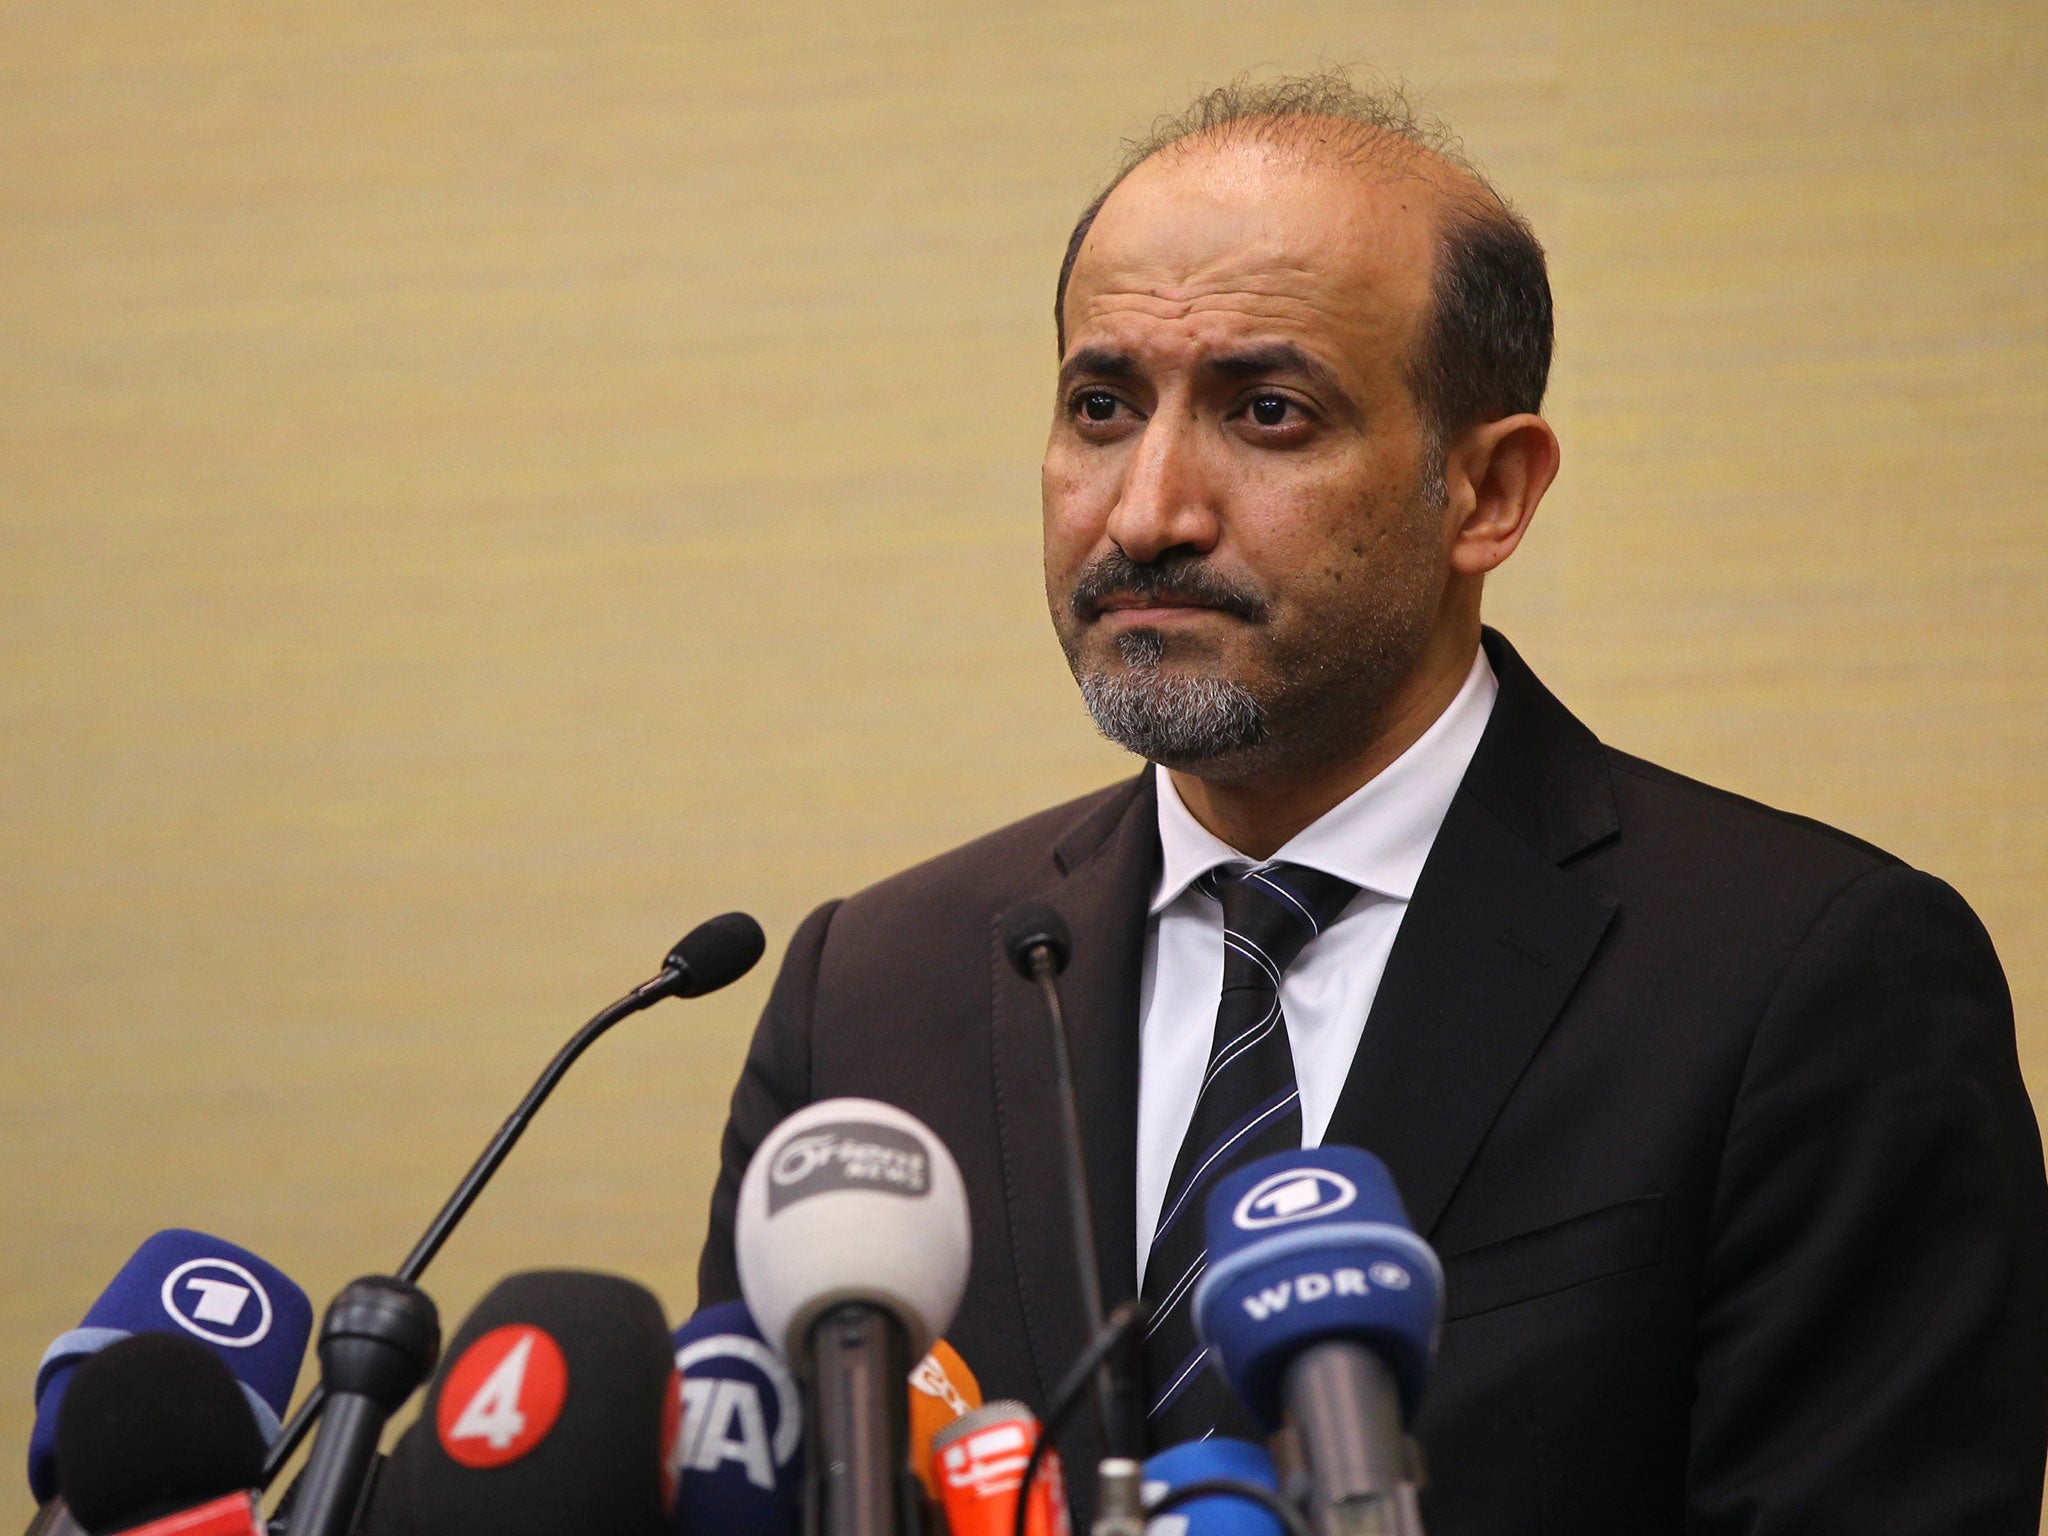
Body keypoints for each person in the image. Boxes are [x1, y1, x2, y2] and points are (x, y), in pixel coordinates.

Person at [698, 72, 2048, 1533]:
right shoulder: (872, 995)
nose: (1146, 511)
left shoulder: (1810, 982)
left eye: (1268, 412)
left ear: (1488, 493)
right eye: (1101, 408)